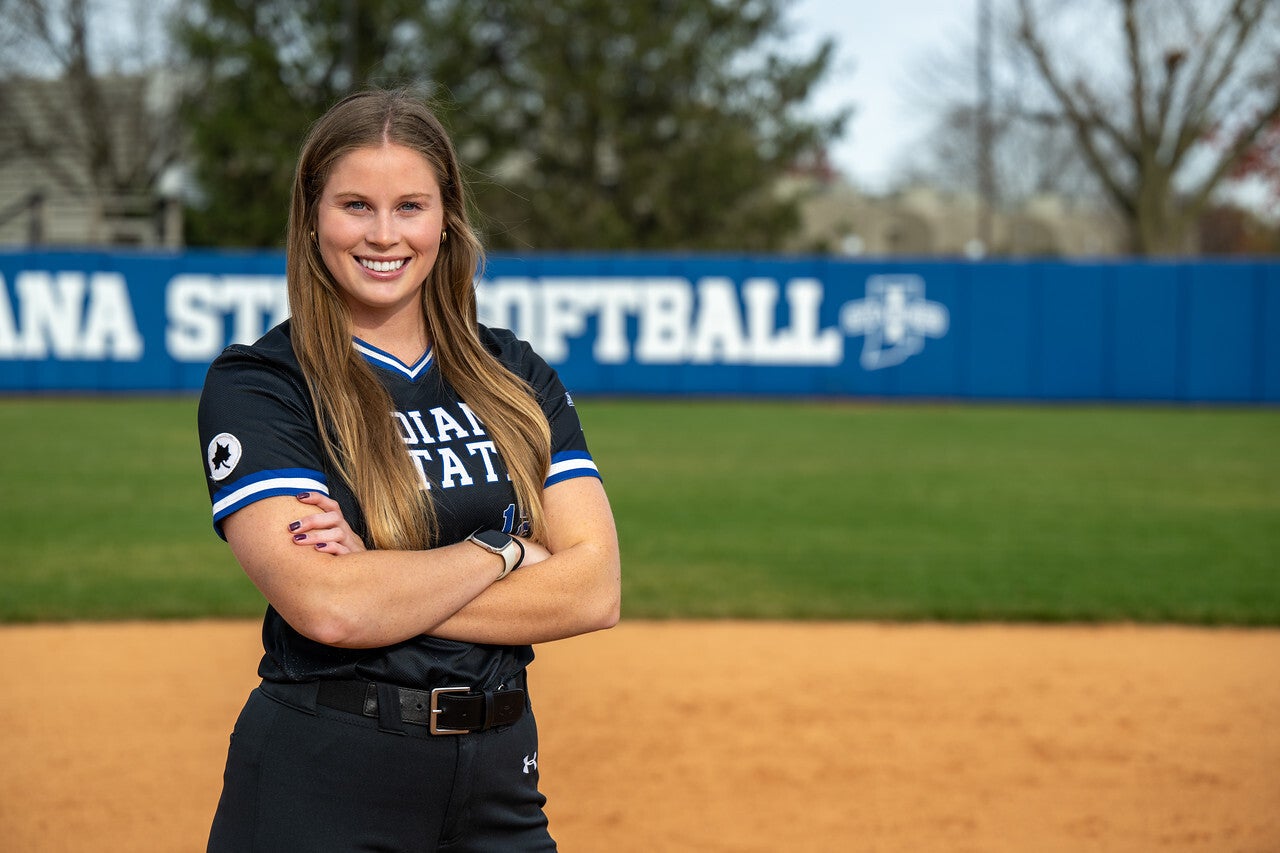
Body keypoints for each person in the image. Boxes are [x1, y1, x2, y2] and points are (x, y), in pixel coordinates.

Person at [197, 88, 621, 852]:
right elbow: (330, 610)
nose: (384, 234)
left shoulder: (513, 373)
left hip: (499, 774)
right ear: (313, 215)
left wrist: (383, 578)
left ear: (446, 216)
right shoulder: (265, 384)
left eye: (410, 206)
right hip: (327, 774)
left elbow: (594, 588)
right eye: (356, 204)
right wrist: (507, 551)